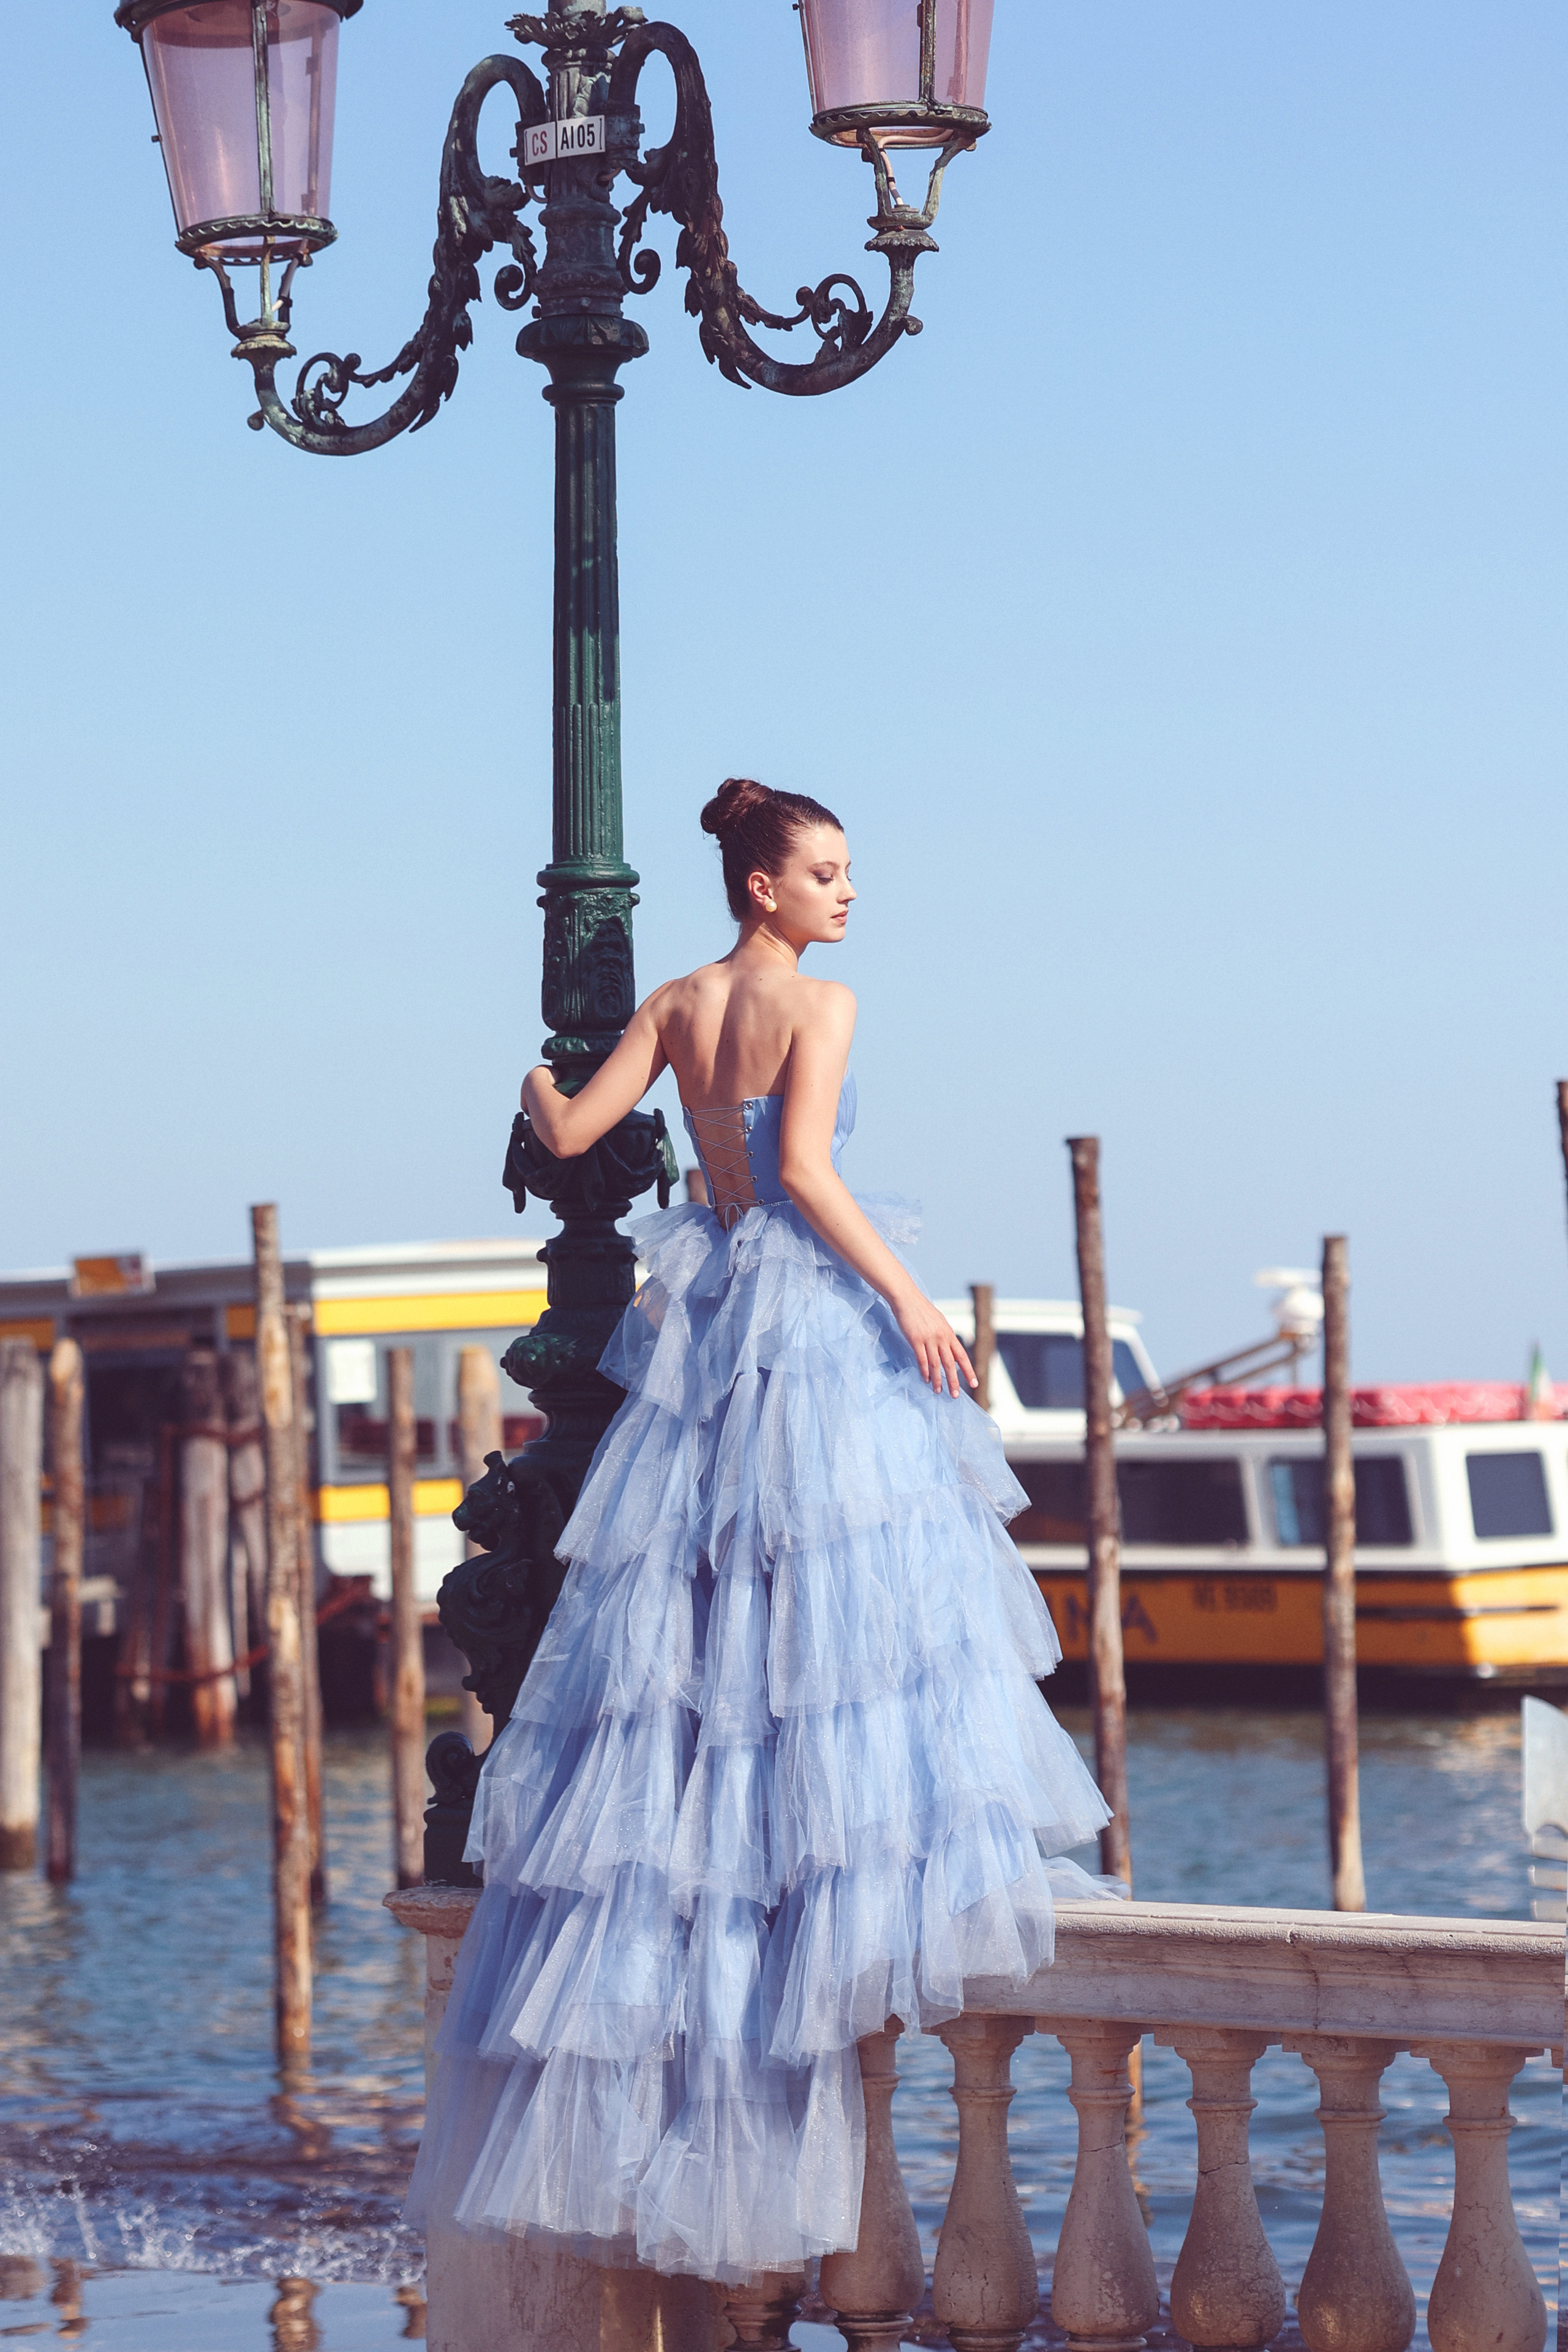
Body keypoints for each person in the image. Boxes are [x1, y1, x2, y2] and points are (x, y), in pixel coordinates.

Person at [407, 777, 1116, 2285]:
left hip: (710, 1310)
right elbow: (800, 1171)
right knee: (851, 1574)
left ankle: (740, 1842)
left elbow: (571, 1121)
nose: (846, 894)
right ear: (761, 888)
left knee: (703, 1595)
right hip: (804, 1304)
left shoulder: (671, 1003)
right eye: (825, 872)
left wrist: (534, 1085)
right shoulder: (822, 1004)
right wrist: (908, 1297)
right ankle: (831, 1845)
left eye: (845, 872)